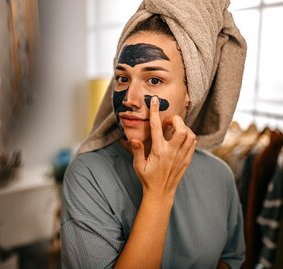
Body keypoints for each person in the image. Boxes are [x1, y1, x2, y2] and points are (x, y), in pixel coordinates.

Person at [60, 0, 247, 268]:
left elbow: (230, 259)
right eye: (123, 78)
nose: (130, 99)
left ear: (190, 93)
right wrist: (158, 193)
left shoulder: (220, 176)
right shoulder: (88, 175)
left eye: (154, 80)